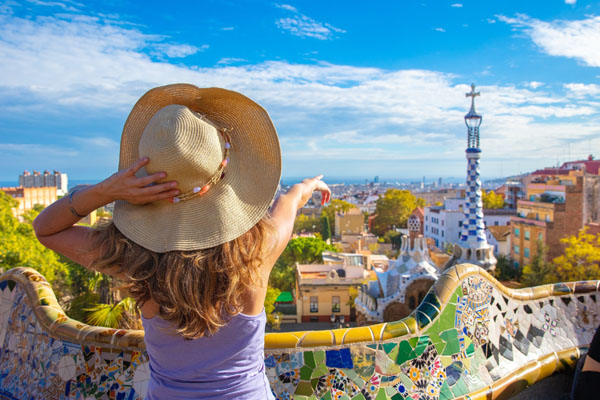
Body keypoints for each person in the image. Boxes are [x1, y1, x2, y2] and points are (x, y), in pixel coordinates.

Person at [32, 84, 331, 399]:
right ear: (222, 172)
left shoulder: (133, 259)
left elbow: (46, 229)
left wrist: (107, 190)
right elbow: (289, 202)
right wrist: (307, 185)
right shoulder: (257, 250)